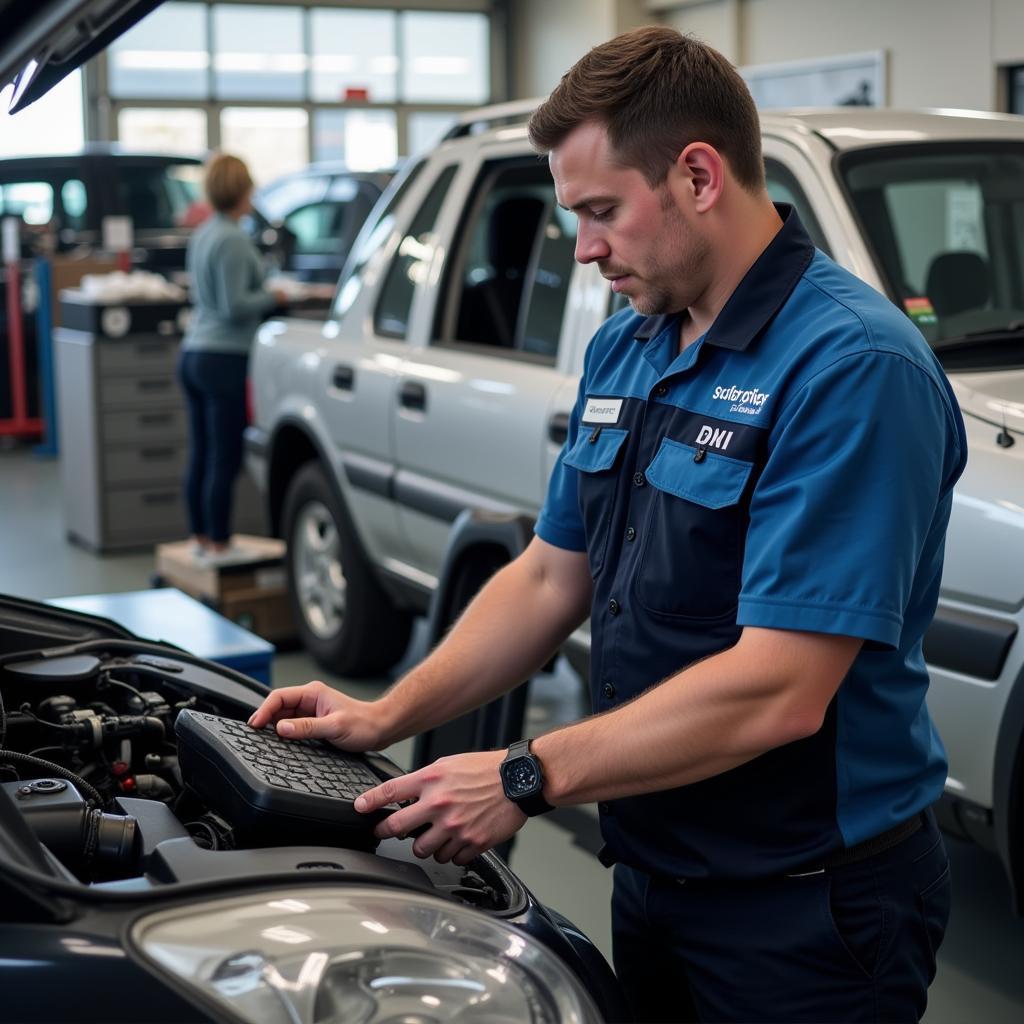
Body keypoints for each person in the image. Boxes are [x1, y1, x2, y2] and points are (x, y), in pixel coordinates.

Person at [249, 27, 966, 1023]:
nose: (584, 251)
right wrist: (386, 714)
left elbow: (781, 689)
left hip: (808, 909)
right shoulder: (632, 345)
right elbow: (552, 575)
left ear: (699, 175)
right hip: (656, 867)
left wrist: (526, 772)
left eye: (600, 212)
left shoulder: (850, 367)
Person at [178, 153, 287, 562]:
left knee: (202, 452)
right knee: (225, 455)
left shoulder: (206, 233)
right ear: (241, 190)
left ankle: (200, 537)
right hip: (223, 357)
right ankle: (221, 541)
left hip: (193, 353)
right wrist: (274, 295)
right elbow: (235, 305)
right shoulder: (234, 238)